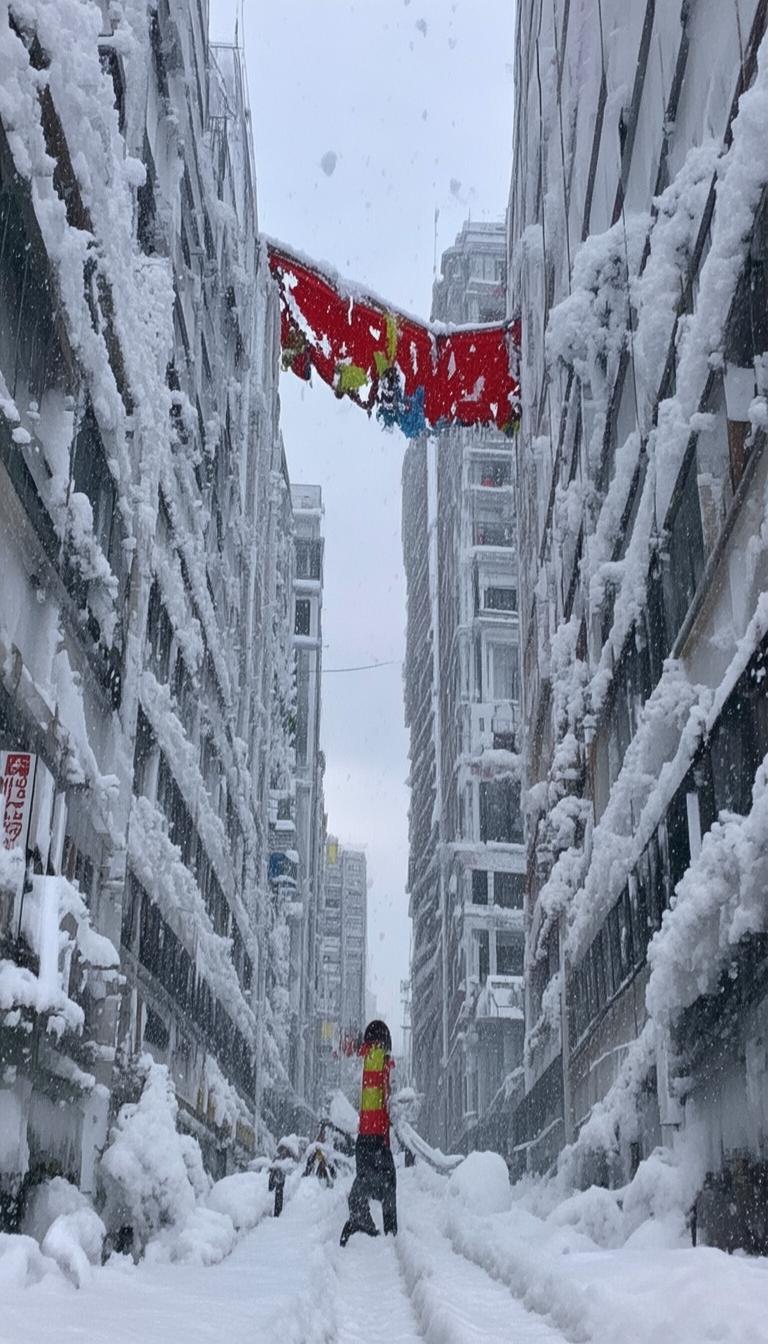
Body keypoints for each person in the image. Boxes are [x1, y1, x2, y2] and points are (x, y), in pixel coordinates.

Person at [340, 1019, 397, 1246]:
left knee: (375, 1180)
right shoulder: (376, 1058)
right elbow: (380, 1098)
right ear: (383, 1042)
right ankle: (389, 1235)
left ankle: (362, 1218)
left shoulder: (372, 1058)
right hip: (374, 1137)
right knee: (385, 1183)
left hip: (368, 1136)